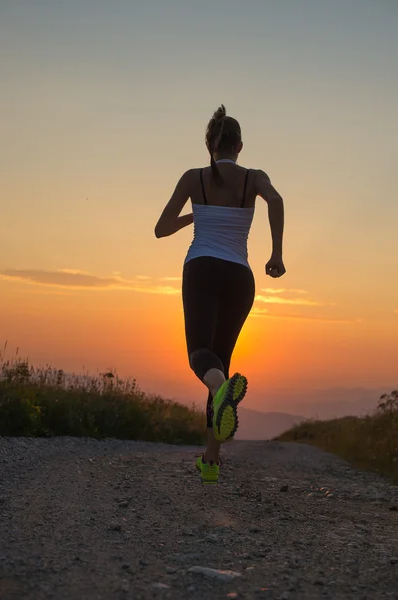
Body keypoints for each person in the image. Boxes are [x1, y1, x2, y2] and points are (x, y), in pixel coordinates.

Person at [155, 105, 285, 484]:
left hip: (202, 268)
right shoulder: (254, 178)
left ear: (208, 144)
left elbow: (161, 229)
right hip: (240, 277)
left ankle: (221, 390)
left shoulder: (193, 178)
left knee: (201, 354)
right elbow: (276, 201)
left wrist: (195, 215)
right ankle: (210, 463)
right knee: (220, 361)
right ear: (240, 145)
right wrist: (276, 253)